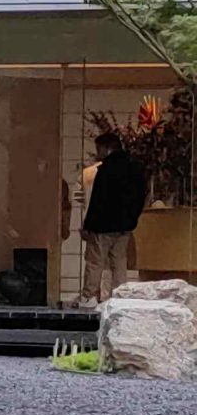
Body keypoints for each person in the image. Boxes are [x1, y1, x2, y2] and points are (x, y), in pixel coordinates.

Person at [81, 129, 147, 304]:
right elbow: (141, 195)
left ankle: (89, 297)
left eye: (99, 149)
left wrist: (88, 225)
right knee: (119, 263)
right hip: (125, 225)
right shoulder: (134, 168)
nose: (98, 154)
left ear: (107, 148)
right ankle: (120, 298)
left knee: (95, 262)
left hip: (102, 225)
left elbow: (97, 200)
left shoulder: (106, 170)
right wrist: (132, 218)